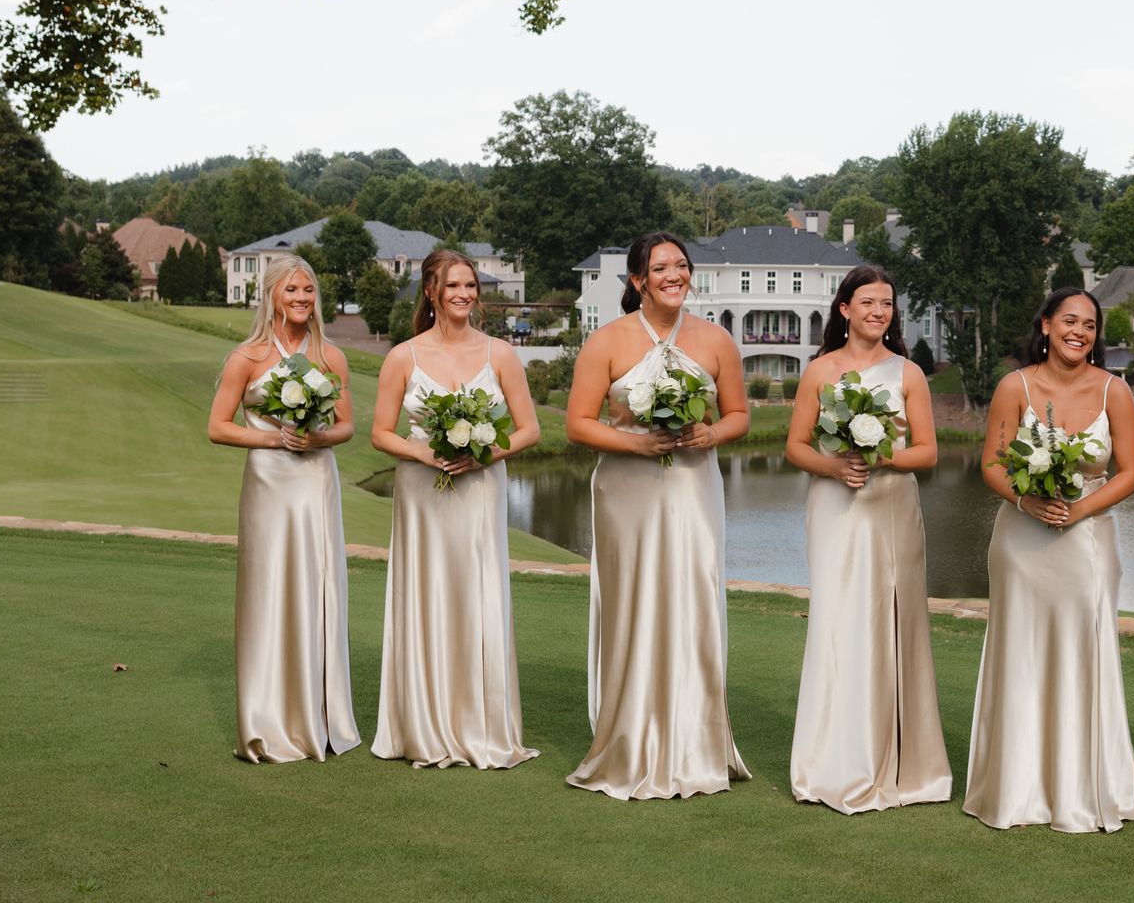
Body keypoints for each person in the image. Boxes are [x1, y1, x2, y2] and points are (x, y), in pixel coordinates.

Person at [565, 232, 751, 799]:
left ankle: (697, 742)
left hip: (694, 489)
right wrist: (636, 445)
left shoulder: (716, 339)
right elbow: (579, 424)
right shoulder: (608, 341)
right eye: (661, 267)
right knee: (632, 603)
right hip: (626, 491)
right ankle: (628, 739)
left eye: (681, 265)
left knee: (694, 599)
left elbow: (739, 414)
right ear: (638, 280)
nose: (675, 274)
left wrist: (709, 432)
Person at [963, 288, 1134, 833]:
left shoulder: (1115, 391)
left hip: (1088, 541)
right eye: (1070, 321)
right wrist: (1026, 500)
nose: (1080, 332)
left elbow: (1131, 472)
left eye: (1090, 325)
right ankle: (1015, 786)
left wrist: (1079, 511)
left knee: (1084, 651)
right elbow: (994, 464)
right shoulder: (1013, 387)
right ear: (1045, 325)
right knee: (1018, 650)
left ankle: (1084, 784)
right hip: (1021, 543)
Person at [784, 264, 951, 812]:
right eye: (869, 302)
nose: (880, 312)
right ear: (845, 309)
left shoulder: (908, 374)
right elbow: (797, 448)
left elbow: (927, 452)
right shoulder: (819, 371)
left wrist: (882, 457)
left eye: (888, 304)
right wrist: (834, 470)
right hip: (835, 507)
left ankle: (902, 761)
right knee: (837, 620)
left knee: (893, 623)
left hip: (893, 510)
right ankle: (832, 757)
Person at [369, 249, 540, 769]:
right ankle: (422, 721)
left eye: (471, 285)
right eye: (454, 286)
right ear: (431, 292)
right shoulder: (404, 356)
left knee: (476, 593)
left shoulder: (501, 354)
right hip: (422, 493)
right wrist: (423, 451)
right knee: (427, 593)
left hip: (481, 489)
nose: (464, 294)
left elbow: (531, 429)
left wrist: (483, 451)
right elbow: (380, 433)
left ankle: (481, 724)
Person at [207, 257, 359, 762]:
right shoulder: (246, 357)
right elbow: (219, 427)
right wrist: (272, 438)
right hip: (269, 484)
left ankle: (319, 717)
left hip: (316, 480)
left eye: (309, 290)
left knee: (318, 588)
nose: (301, 298)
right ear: (272, 295)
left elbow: (346, 427)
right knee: (268, 590)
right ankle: (265, 718)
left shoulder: (330, 356)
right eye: (292, 289)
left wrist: (316, 435)